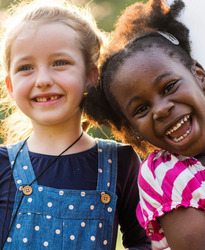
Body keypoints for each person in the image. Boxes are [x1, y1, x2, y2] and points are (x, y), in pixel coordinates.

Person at [84, 0, 205, 249]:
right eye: (141, 109)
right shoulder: (165, 173)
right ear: (131, 129)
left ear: (200, 76)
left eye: (169, 86)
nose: (161, 109)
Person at [0, 0, 151, 249]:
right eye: (26, 67)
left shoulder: (122, 162)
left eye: (60, 62)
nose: (43, 80)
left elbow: (145, 243)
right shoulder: (3, 163)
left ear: (91, 76)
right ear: (11, 86)